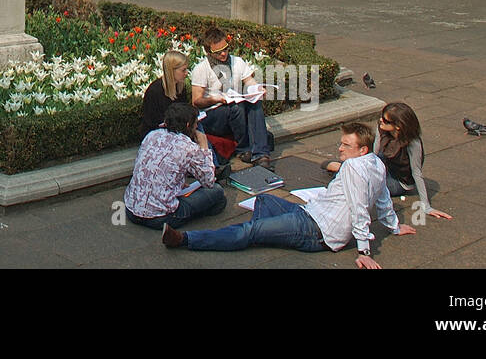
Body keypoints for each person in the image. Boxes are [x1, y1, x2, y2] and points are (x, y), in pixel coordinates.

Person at [162, 121, 418, 268]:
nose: (339, 148)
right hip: (309, 213)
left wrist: (364, 253)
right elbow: (383, 199)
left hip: (316, 230)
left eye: (345, 145)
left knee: (249, 231)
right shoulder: (376, 163)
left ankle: (185, 240)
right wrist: (394, 226)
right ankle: (259, 234)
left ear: (362, 149)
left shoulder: (353, 167)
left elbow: (360, 208)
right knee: (263, 199)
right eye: (340, 142)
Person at [322, 102, 452, 222]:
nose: (380, 121)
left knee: (362, 184)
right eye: (381, 117)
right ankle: (341, 168)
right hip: (385, 163)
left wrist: (426, 206)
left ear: (398, 126)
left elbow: (416, 173)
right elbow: (374, 154)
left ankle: (339, 167)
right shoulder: (382, 129)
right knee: (354, 170)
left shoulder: (413, 143)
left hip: (399, 180)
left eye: (385, 120)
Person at [124, 103, 226, 231]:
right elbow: (209, 181)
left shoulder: (152, 135)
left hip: (131, 209)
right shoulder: (189, 147)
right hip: (160, 218)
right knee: (217, 193)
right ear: (189, 125)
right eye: (196, 124)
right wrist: (204, 146)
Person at [191, 26, 274, 168]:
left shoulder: (237, 62)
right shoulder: (201, 69)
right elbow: (196, 101)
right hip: (212, 113)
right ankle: (243, 149)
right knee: (235, 107)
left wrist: (257, 89)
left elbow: (249, 81)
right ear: (209, 52)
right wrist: (216, 99)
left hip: (234, 106)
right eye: (218, 52)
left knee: (254, 103)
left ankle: (261, 154)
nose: (223, 54)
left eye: (226, 49)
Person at [141, 50, 191, 139]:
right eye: (183, 70)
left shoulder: (180, 87)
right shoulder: (155, 91)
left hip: (177, 130)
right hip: (158, 134)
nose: (186, 73)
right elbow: (151, 121)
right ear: (172, 70)